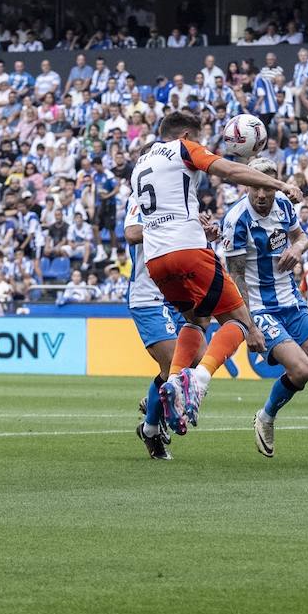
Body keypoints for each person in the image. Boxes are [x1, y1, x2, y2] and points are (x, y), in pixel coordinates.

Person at [137, 111, 302, 455]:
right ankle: (199, 381)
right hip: (187, 252)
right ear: (184, 134)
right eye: (196, 138)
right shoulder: (182, 148)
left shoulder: (141, 163)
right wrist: (279, 184)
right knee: (240, 322)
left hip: (156, 262)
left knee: (196, 320)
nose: (199, 144)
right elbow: (227, 170)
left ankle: (174, 381)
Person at [223, 159, 308, 470]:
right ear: (246, 185)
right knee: (300, 369)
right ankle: (266, 416)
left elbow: (301, 237)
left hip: (292, 302)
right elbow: (236, 277)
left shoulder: (283, 205)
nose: (260, 194)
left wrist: (298, 249)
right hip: (260, 307)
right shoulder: (237, 219)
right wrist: (249, 324)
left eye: (266, 186)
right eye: (254, 186)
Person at [125, 196, 209, 459]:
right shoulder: (141, 197)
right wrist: (174, 224)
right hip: (149, 296)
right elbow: (132, 233)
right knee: (175, 363)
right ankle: (151, 429)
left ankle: (154, 407)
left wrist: (202, 232)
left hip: (179, 292)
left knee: (199, 358)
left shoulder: (180, 195)